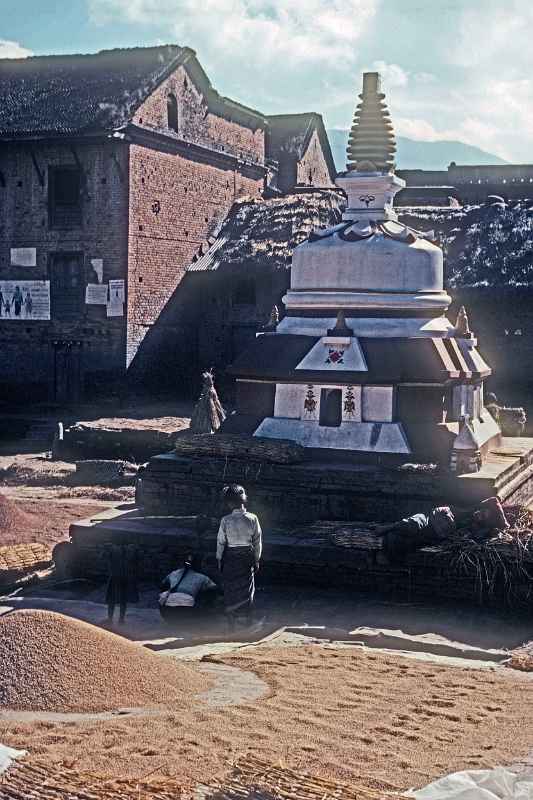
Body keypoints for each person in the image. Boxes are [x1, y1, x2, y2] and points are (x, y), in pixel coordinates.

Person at [374, 497, 509, 563]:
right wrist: (445, 514)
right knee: (414, 523)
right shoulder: (469, 508)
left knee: (408, 543)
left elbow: (497, 529)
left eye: (482, 517)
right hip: (431, 518)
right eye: (482, 512)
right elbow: (494, 500)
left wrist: (501, 527)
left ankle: (388, 553)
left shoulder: (474, 528)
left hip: (435, 534)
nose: (479, 515)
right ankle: (388, 528)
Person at [216, 484, 262, 626]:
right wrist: (257, 559)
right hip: (247, 557)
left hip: (230, 557)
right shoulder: (253, 518)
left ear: (229, 503)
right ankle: (247, 619)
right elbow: (257, 541)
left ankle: (232, 621)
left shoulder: (225, 520)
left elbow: (221, 542)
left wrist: (219, 559)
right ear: (244, 500)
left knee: (230, 588)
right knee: (248, 588)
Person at [159, 554, 220, 622]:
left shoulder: (173, 573)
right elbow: (215, 589)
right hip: (186, 612)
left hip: (166, 613)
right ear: (198, 564)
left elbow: (162, 585)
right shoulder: (202, 577)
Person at [105, 542, 139, 624]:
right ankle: (121, 619)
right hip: (125, 576)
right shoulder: (131, 550)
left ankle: (110, 619)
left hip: (115, 576)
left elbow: (104, 557)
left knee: (111, 599)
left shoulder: (112, 549)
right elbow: (136, 563)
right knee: (123, 599)